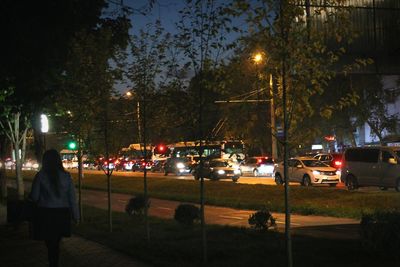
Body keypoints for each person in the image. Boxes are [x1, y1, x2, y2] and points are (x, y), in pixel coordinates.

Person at [30, 149, 79, 267]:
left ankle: (53, 262)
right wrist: (76, 216)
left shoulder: (40, 175)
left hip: (46, 213)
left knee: (50, 242)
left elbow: (35, 196)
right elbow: (72, 199)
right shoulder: (66, 176)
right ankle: (54, 261)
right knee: (56, 241)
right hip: (61, 213)